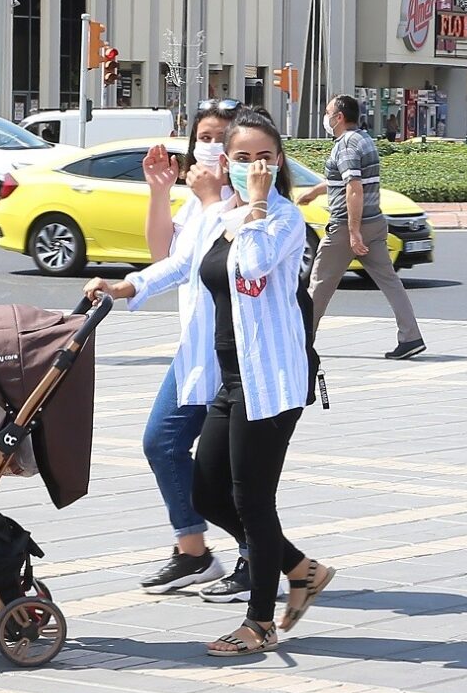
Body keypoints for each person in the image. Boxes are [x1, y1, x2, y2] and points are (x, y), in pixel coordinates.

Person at [89, 108, 331, 658]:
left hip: (268, 380)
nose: (252, 167)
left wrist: (257, 205)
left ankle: (259, 622)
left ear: (280, 162)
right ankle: (299, 567)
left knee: (252, 500)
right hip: (228, 377)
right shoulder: (219, 212)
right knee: (205, 490)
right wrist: (124, 286)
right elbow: (180, 264)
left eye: (263, 158)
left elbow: (251, 271)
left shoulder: (282, 218)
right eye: (241, 158)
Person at [122, 104, 251, 599]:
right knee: (162, 443)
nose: (211, 146)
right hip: (194, 352)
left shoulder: (245, 201)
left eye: (222, 137)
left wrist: (217, 197)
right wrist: (159, 192)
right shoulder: (198, 201)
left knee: (231, 468)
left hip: (235, 359)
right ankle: (193, 550)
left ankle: (253, 555)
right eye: (204, 137)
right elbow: (166, 258)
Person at [308, 94, 426, 362]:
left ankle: (302, 340)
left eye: (328, 112)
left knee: (320, 283)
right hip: (375, 223)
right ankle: (411, 337)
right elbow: (341, 180)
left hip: (347, 227)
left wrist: (352, 231)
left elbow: (354, 188)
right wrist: (313, 192)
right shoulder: (363, 139)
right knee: (390, 282)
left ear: (338, 117)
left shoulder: (346, 145)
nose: (325, 117)